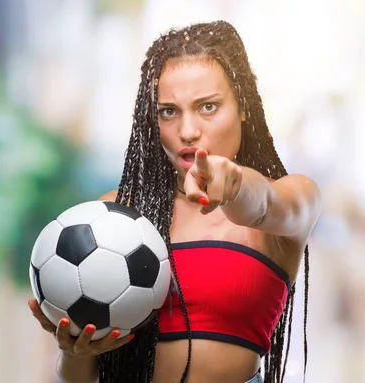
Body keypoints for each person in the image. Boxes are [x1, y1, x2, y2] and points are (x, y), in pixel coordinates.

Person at [28, 20, 321, 383]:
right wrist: (74, 351)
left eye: (208, 107)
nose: (187, 130)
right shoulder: (113, 219)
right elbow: (79, 377)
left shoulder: (293, 198)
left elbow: (263, 203)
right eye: (169, 111)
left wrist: (233, 185)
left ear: (243, 106)